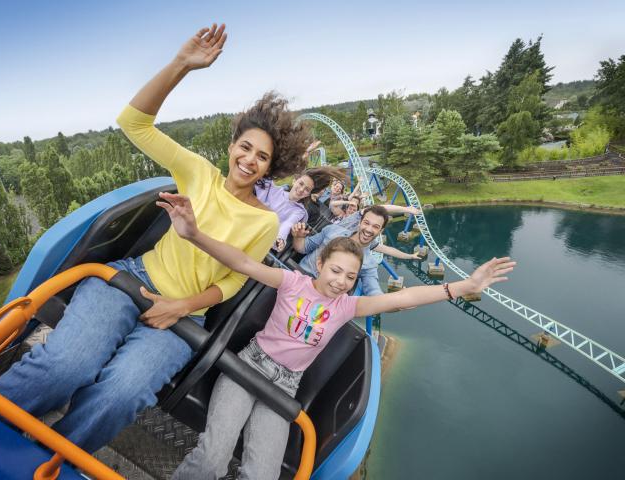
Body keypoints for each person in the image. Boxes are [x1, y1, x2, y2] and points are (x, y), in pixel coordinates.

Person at [0, 24, 312, 454]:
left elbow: (234, 281)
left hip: (184, 315)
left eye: (262, 157)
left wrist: (180, 306)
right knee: (66, 366)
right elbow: (133, 123)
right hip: (133, 281)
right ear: (232, 143)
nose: (249, 160)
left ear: (271, 167)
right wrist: (182, 64)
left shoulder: (265, 223)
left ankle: (45, 459)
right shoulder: (197, 172)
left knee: (120, 395)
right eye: (246, 147)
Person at [156, 191, 515, 480]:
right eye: (336, 271)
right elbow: (244, 263)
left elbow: (404, 297)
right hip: (250, 366)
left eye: (350, 277)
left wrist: (462, 286)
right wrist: (194, 234)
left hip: (284, 386)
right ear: (322, 264)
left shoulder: (347, 307)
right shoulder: (292, 282)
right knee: (213, 460)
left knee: (262, 474)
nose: (341, 282)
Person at [255, 156, 347, 251]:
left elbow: (287, 224)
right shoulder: (274, 190)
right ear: (295, 180)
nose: (301, 189)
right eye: (301, 184)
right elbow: (265, 175)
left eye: (307, 189)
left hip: (262, 237)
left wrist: (280, 238)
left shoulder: (299, 211)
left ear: (309, 194)